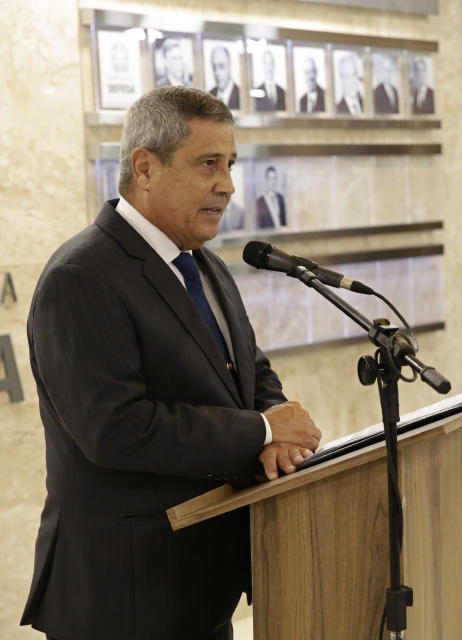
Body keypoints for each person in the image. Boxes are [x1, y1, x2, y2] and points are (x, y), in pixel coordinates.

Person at [20, 87, 322, 640]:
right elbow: (115, 429)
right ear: (145, 167)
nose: (228, 185)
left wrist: (276, 431)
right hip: (123, 597)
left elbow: (249, 373)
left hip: (200, 587)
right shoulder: (80, 276)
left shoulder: (202, 262)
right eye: (209, 164)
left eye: (230, 164)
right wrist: (259, 430)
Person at [208, 45, 239, 109]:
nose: (217, 73)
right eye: (214, 67)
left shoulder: (241, 95)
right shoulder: (208, 96)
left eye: (221, 66)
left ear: (229, 66)